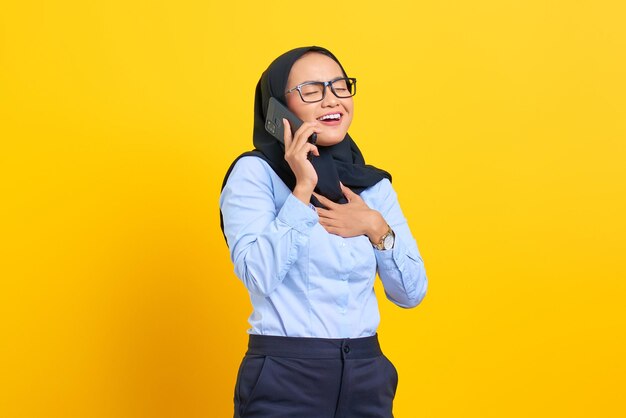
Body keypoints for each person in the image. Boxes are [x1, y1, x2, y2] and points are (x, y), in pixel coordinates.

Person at [219, 46, 428, 418]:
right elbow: (258, 276)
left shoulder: (373, 187)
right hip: (286, 375)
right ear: (277, 108)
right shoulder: (255, 174)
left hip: (367, 373)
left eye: (339, 86)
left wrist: (375, 226)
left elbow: (411, 293)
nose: (332, 100)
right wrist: (301, 190)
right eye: (312, 90)